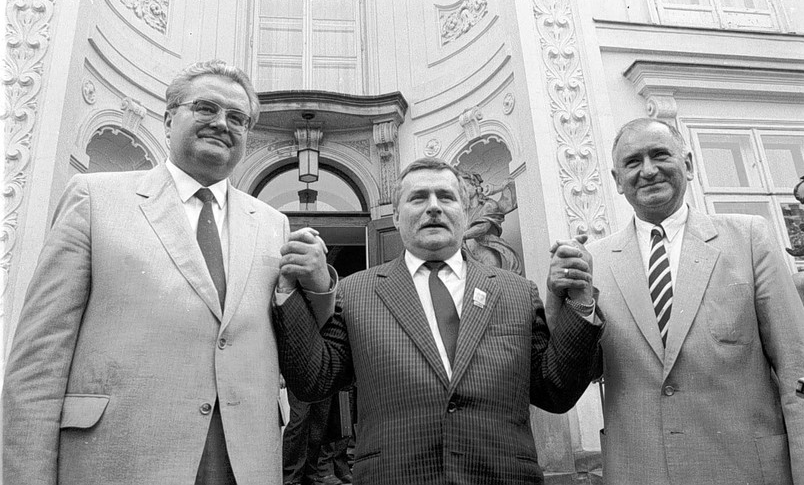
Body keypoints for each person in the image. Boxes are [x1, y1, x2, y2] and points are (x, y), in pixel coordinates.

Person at [3, 59, 334, 485]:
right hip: (122, 460)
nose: (221, 123)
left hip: (244, 463)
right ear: (167, 117)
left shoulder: (273, 223)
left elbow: (298, 348)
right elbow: (38, 364)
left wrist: (320, 286)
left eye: (237, 118)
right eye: (205, 109)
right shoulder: (94, 199)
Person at [273, 157, 604, 484]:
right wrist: (291, 289)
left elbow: (556, 391)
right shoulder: (355, 292)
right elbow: (313, 380)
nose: (433, 207)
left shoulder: (517, 291)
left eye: (446, 197)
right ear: (396, 217)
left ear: (464, 211)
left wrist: (578, 299)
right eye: (418, 198)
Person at [587, 117, 804, 484]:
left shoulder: (749, 238)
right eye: (633, 162)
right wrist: (568, 304)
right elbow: (583, 372)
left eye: (660, 155)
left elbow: (796, 363)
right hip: (641, 471)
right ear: (617, 180)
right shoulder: (594, 262)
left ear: (687, 165)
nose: (649, 170)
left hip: (746, 469)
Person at [461, 171, 522, 275]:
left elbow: (482, 228)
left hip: (487, 258)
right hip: (469, 259)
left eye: (465, 186)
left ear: (476, 187)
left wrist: (459, 236)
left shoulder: (489, 205)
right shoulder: (464, 212)